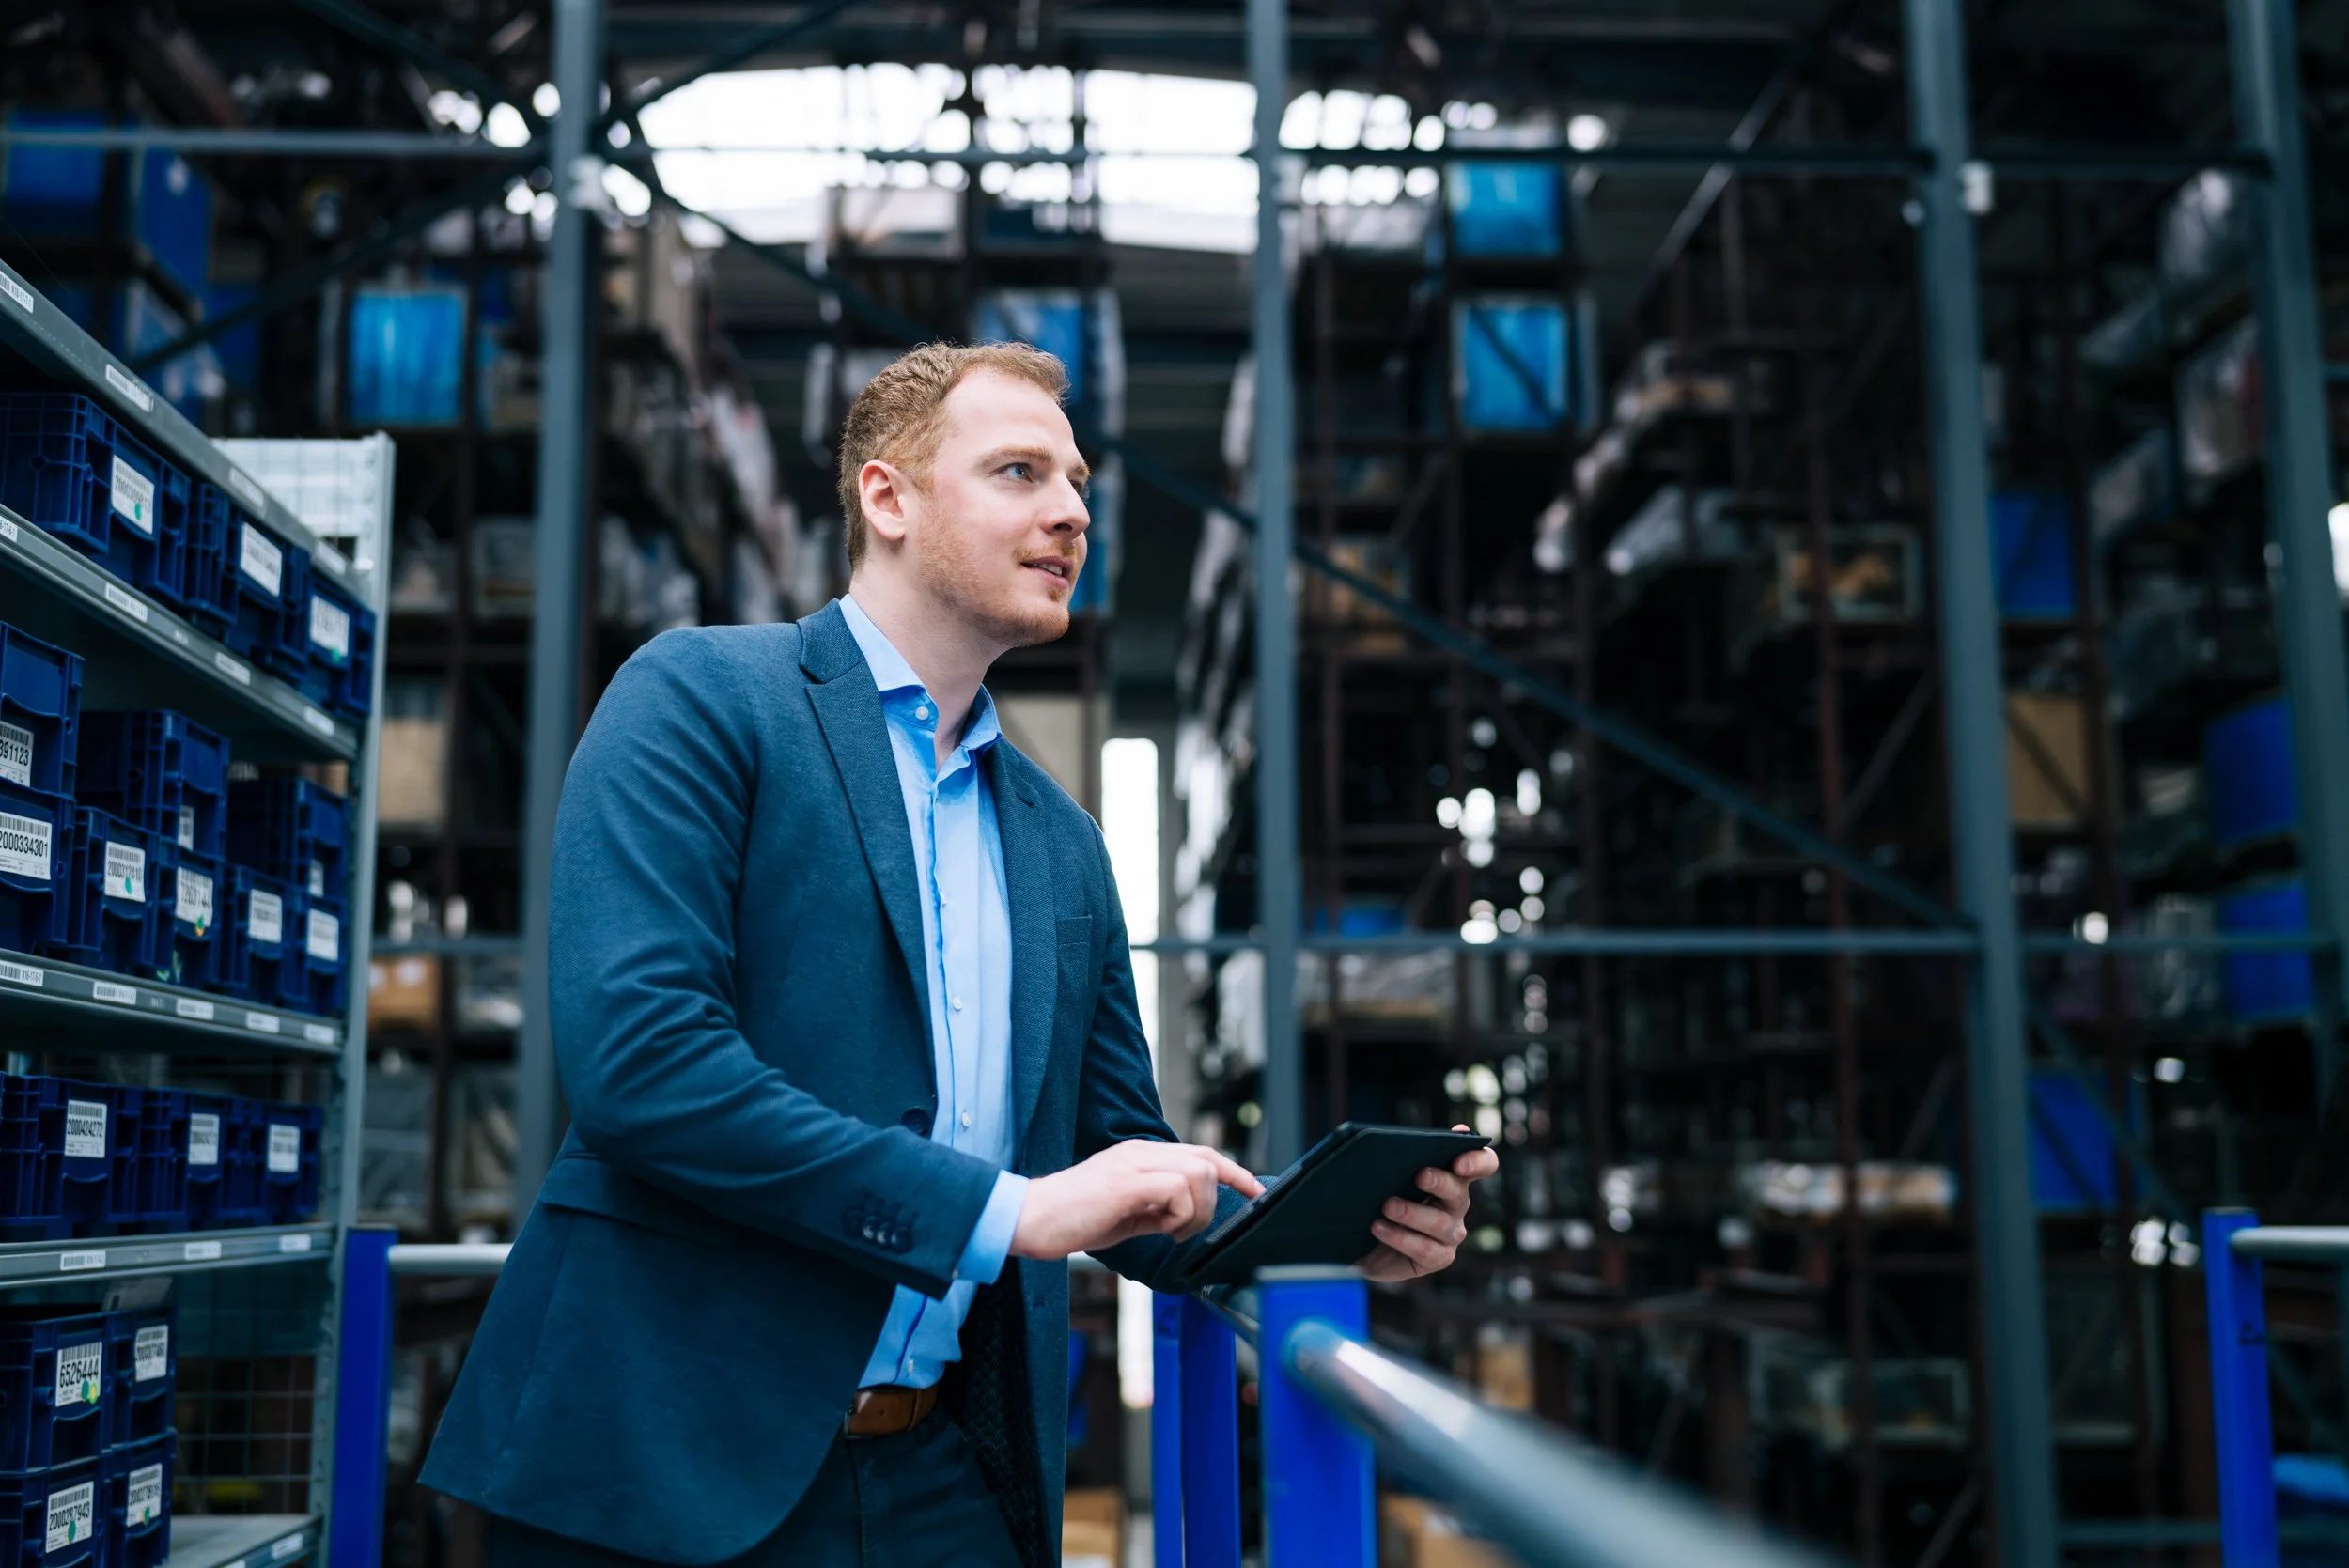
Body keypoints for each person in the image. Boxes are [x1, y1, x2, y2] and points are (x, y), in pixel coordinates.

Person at [420, 341, 1501, 1568]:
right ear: (888, 499)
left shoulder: (1062, 846)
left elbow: (1112, 1166)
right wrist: (1007, 1211)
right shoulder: (704, 699)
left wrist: (1323, 1234)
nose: (1072, 513)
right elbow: (644, 1067)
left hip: (941, 1476)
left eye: (1079, 483)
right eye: (1020, 472)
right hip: (659, 1464)